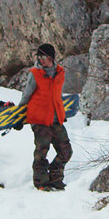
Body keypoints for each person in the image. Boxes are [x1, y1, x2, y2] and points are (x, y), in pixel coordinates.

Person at [18, 43, 72, 191]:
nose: (41, 60)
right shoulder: (35, 73)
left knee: (66, 151)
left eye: (44, 57)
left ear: (52, 58)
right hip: (39, 119)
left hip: (56, 119)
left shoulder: (60, 72)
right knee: (42, 151)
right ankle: (41, 182)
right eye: (39, 57)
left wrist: (61, 112)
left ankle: (55, 178)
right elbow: (26, 95)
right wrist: (18, 116)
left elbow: (58, 95)